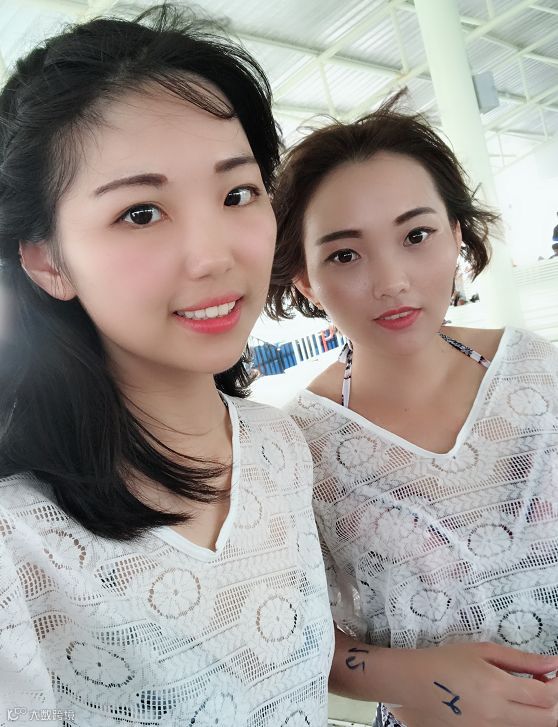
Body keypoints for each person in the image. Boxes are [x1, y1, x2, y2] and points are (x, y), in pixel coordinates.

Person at [0, 6, 334, 724]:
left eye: (237, 193)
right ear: (49, 261)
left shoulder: (278, 447)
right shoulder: (17, 540)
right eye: (142, 213)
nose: (215, 256)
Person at [266, 101, 558, 727]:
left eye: (416, 235)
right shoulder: (294, 448)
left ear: (457, 234)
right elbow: (298, 636)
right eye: (345, 255)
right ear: (305, 281)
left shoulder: (543, 374)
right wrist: (425, 678)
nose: (392, 281)